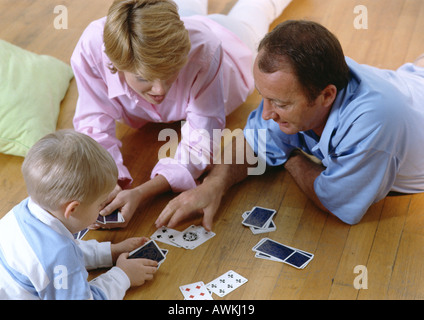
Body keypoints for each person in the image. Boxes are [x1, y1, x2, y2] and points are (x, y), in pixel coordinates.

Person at [155, 20, 424, 230]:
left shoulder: (373, 126)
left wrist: (292, 159)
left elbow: (335, 203)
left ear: (327, 95)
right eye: (264, 98)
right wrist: (213, 185)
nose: (266, 114)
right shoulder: (298, 83)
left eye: (280, 104)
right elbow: (253, 142)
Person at [71, 0, 291, 228]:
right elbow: (93, 122)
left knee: (254, 9)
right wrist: (108, 181)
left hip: (227, 37)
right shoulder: (92, 48)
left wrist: (140, 192)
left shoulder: (206, 49)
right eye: (144, 78)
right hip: (164, 28)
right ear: (116, 64)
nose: (160, 90)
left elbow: (200, 146)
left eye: (170, 72)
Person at [0, 130, 158, 299]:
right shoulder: (58, 256)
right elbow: (65, 262)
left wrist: (110, 252)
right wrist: (123, 276)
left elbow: (69, 248)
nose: (102, 208)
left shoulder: (23, 212)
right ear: (72, 209)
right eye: (100, 204)